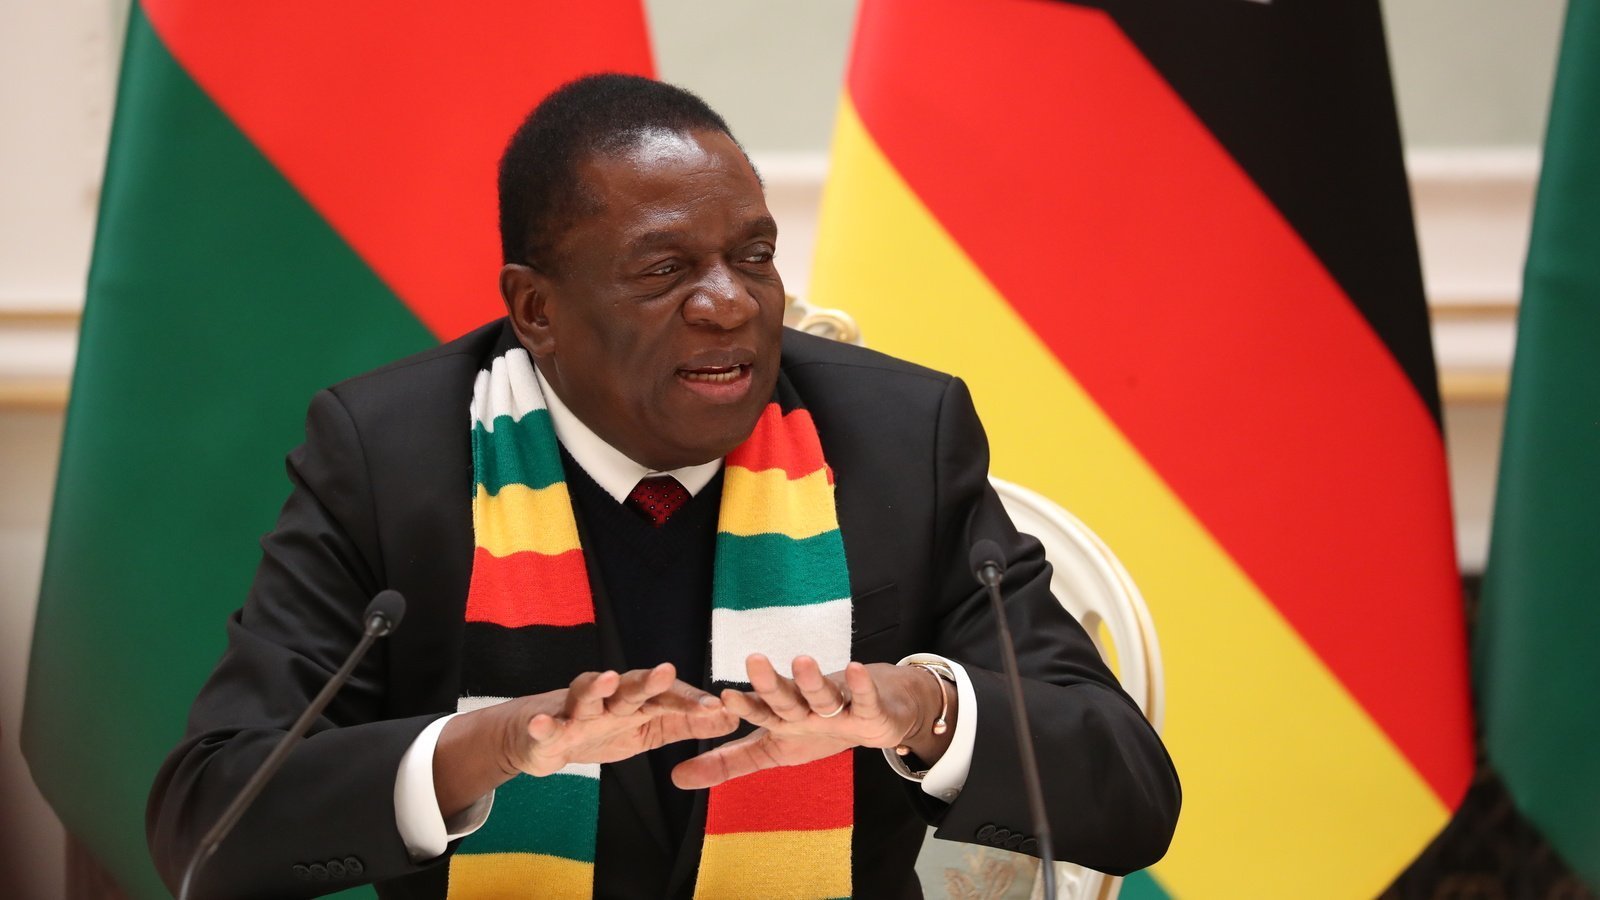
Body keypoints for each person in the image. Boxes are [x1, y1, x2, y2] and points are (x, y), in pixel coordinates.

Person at [147, 74, 1179, 899]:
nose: (730, 305)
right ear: (535, 310)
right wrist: (485, 750)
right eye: (663, 270)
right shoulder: (393, 457)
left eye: (753, 256)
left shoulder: (897, 440)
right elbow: (208, 824)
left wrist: (923, 709)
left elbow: (1129, 795)